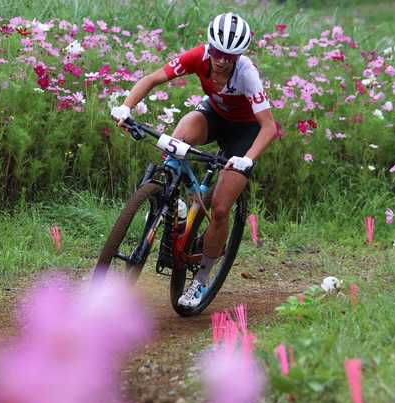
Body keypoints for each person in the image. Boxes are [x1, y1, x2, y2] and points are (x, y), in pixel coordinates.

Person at [111, 12, 278, 308]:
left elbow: (269, 127)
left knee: (221, 207)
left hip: (246, 132)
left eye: (230, 55)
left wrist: (247, 160)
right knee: (180, 137)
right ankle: (172, 195)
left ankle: (201, 280)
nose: (223, 60)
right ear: (209, 47)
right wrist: (126, 107)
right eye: (217, 53)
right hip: (215, 116)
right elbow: (153, 78)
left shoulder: (247, 74)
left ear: (239, 55)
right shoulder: (197, 57)